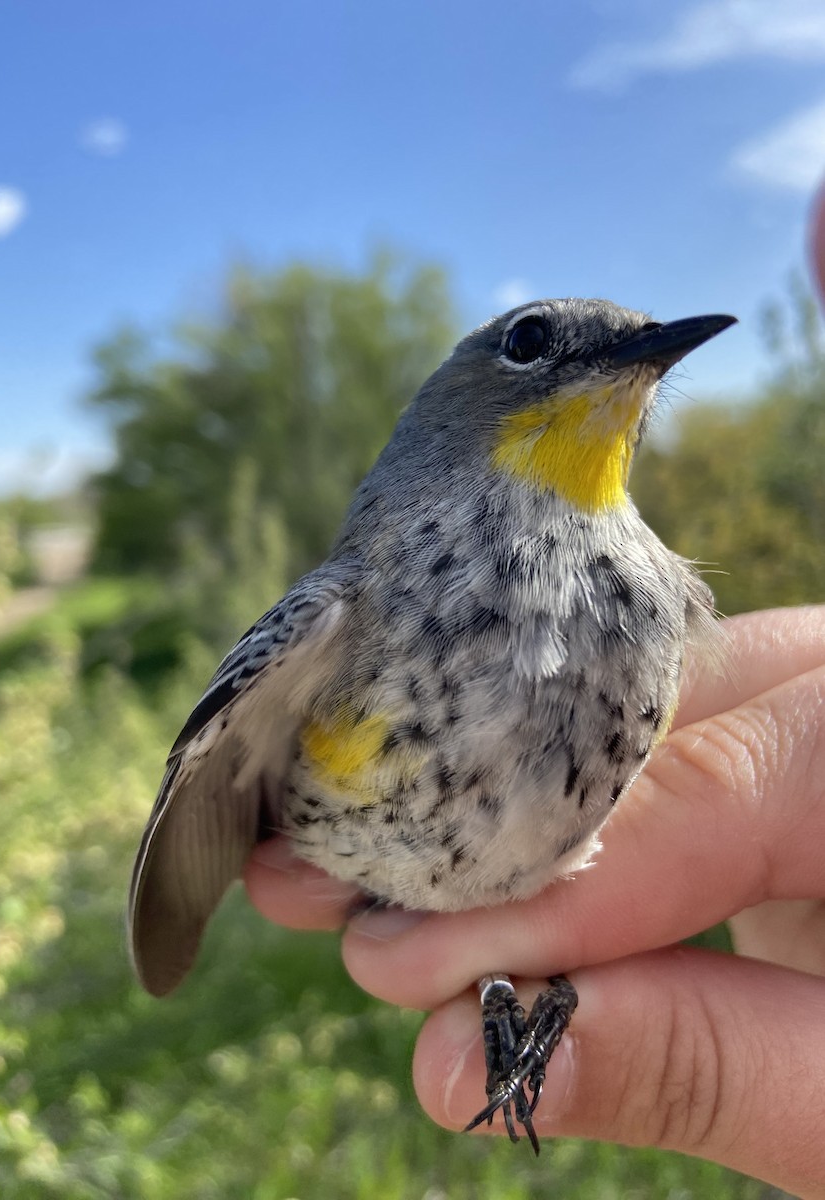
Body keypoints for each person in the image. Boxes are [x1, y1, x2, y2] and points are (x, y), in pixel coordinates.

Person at [241, 185, 825, 1198]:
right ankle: (501, 977)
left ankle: (512, 978)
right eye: (535, 344)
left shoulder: (657, 592)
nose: (601, 368)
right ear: (454, 395)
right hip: (396, 882)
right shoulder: (351, 604)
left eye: (638, 367)